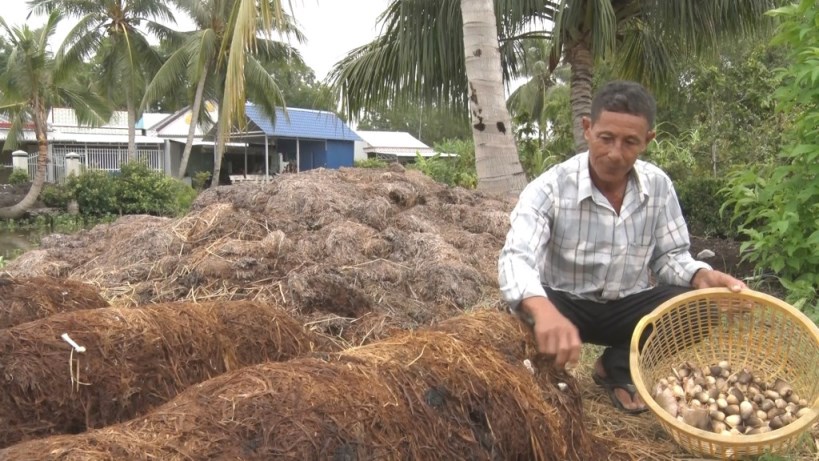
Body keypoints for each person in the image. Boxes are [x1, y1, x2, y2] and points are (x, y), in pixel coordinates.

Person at [497, 80, 746, 414]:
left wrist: (701, 276)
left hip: (627, 308)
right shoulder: (551, 187)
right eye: (606, 138)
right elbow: (517, 256)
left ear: (647, 140)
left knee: (701, 306)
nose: (615, 153)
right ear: (587, 129)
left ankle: (616, 365)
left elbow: (669, 257)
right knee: (521, 308)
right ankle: (547, 365)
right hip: (562, 305)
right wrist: (543, 312)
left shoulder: (658, 186)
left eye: (630, 142)